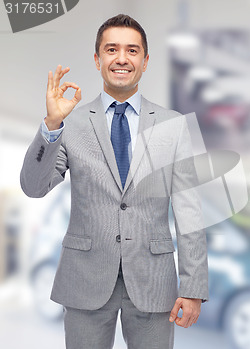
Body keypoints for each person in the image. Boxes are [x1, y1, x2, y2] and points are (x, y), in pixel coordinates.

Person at [20, 14, 208, 349]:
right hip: (84, 279)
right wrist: (51, 124)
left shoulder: (174, 124)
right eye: (112, 49)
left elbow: (190, 212)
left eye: (132, 50)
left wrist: (193, 288)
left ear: (145, 61)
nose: (122, 58)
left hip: (153, 281)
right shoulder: (71, 123)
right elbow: (34, 188)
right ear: (97, 59)